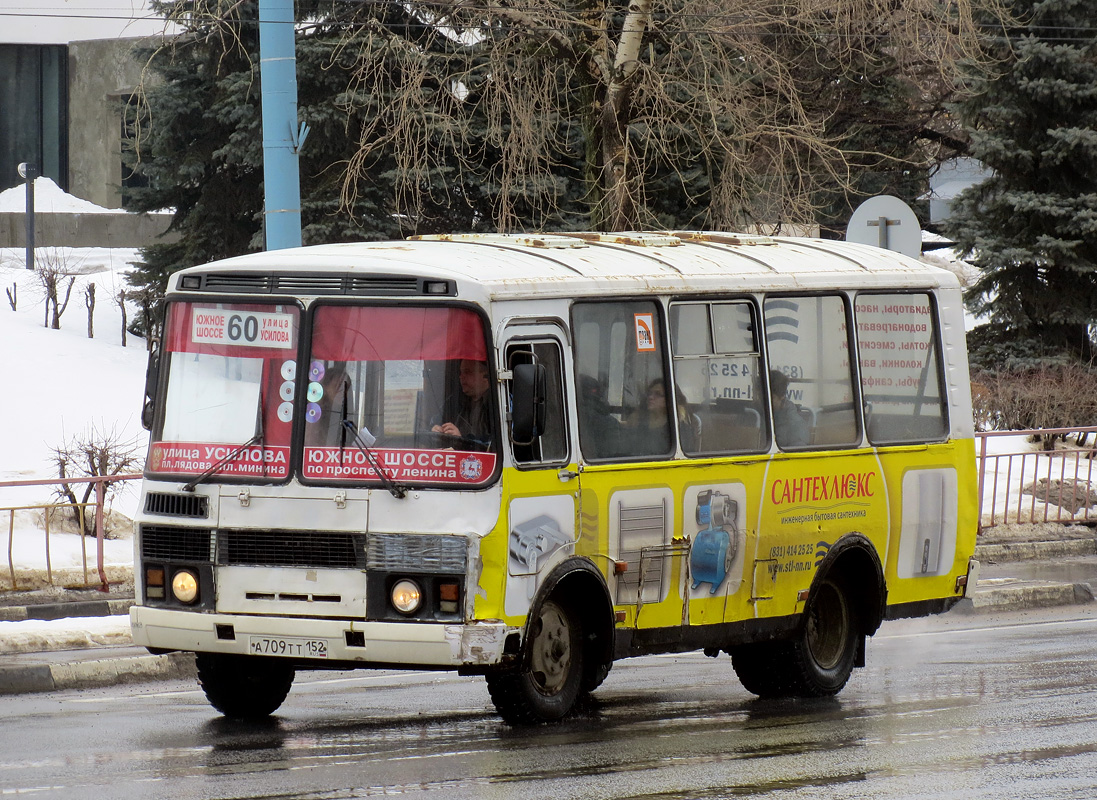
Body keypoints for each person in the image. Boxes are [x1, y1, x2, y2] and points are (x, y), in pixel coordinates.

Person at [432, 359, 493, 447]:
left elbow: (496, 444)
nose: (461, 377)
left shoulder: (499, 403)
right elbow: (435, 420)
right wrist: (435, 428)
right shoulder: (454, 401)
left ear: (486, 377)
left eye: (468, 372)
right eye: (461, 372)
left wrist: (461, 440)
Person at [770, 369, 810, 447]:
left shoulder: (793, 421)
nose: (762, 400)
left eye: (771, 398)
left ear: (782, 397)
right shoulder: (754, 412)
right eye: (761, 396)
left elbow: (799, 446)